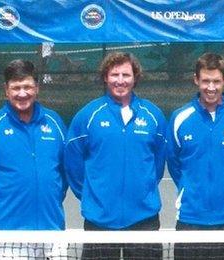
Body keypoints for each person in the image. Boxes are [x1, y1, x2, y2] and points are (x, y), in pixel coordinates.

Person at [0, 59, 68, 258]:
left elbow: (66, 170)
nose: (22, 93)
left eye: (27, 86)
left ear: (37, 88)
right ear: (6, 90)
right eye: (16, 87)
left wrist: (50, 197)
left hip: (53, 233)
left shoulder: (55, 123)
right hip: (8, 236)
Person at [64, 52, 166, 259]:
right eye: (114, 75)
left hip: (143, 219)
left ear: (135, 77)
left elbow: (158, 162)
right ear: (105, 77)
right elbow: (73, 164)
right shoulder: (88, 116)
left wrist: (143, 189)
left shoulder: (153, 115)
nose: (120, 81)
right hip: (99, 221)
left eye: (126, 75)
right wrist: (93, 195)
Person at [166, 52, 224, 259]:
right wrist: (189, 188)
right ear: (196, 80)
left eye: (216, 81)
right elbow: (174, 162)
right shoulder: (180, 118)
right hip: (191, 218)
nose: (211, 87)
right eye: (205, 81)